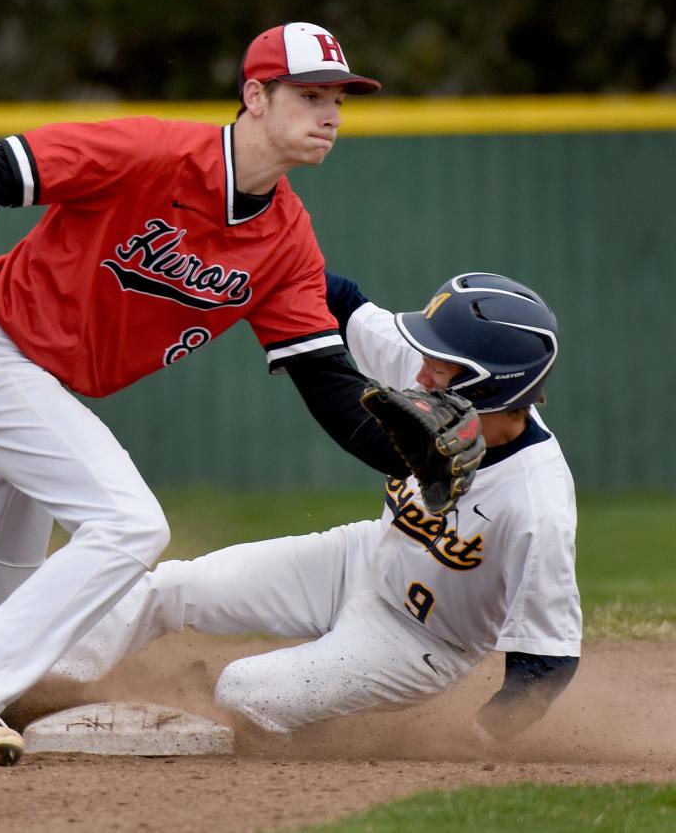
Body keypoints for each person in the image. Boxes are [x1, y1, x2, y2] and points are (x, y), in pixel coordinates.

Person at [0, 23, 438, 767]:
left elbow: (328, 382)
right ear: (255, 97)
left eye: (338, 98)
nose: (330, 113)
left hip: (36, 384)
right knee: (129, 524)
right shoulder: (152, 152)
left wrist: (417, 461)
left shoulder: (288, 241)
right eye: (309, 95)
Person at [47, 271, 582, 746]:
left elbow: (548, 660)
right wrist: (252, 258)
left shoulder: (536, 505)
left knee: (243, 691)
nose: (420, 375)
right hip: (360, 557)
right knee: (169, 588)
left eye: (440, 368)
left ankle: (316, 723)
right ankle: (39, 682)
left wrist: (475, 743)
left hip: (423, 640)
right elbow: (342, 297)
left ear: (486, 386)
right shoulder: (427, 371)